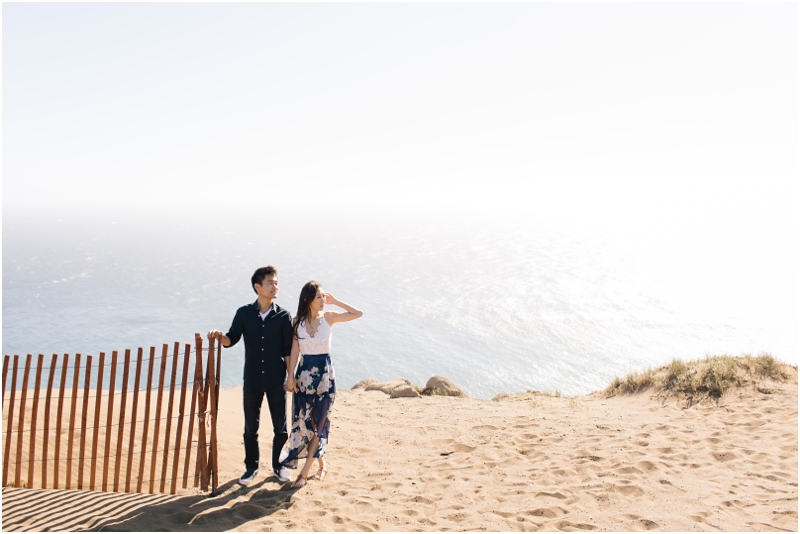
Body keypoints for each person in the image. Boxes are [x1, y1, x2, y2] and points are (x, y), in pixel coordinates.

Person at [208, 266, 293, 485]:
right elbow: (231, 339)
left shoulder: (284, 316)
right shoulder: (244, 313)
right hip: (252, 380)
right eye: (270, 283)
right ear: (258, 287)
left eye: (276, 283)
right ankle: (251, 468)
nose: (275, 287)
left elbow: (287, 350)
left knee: (280, 428)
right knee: (250, 428)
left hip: (276, 380)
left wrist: (290, 376)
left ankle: (279, 466)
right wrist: (219, 336)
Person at [281, 281, 362, 488]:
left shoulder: (329, 317)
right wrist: (290, 377)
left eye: (325, 296)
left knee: (319, 423)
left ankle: (304, 473)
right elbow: (294, 352)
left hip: (325, 378)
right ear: (308, 299)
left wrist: (336, 301)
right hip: (304, 378)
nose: (323, 300)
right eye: (320, 297)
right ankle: (322, 465)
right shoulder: (297, 322)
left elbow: (357, 313)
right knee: (305, 423)